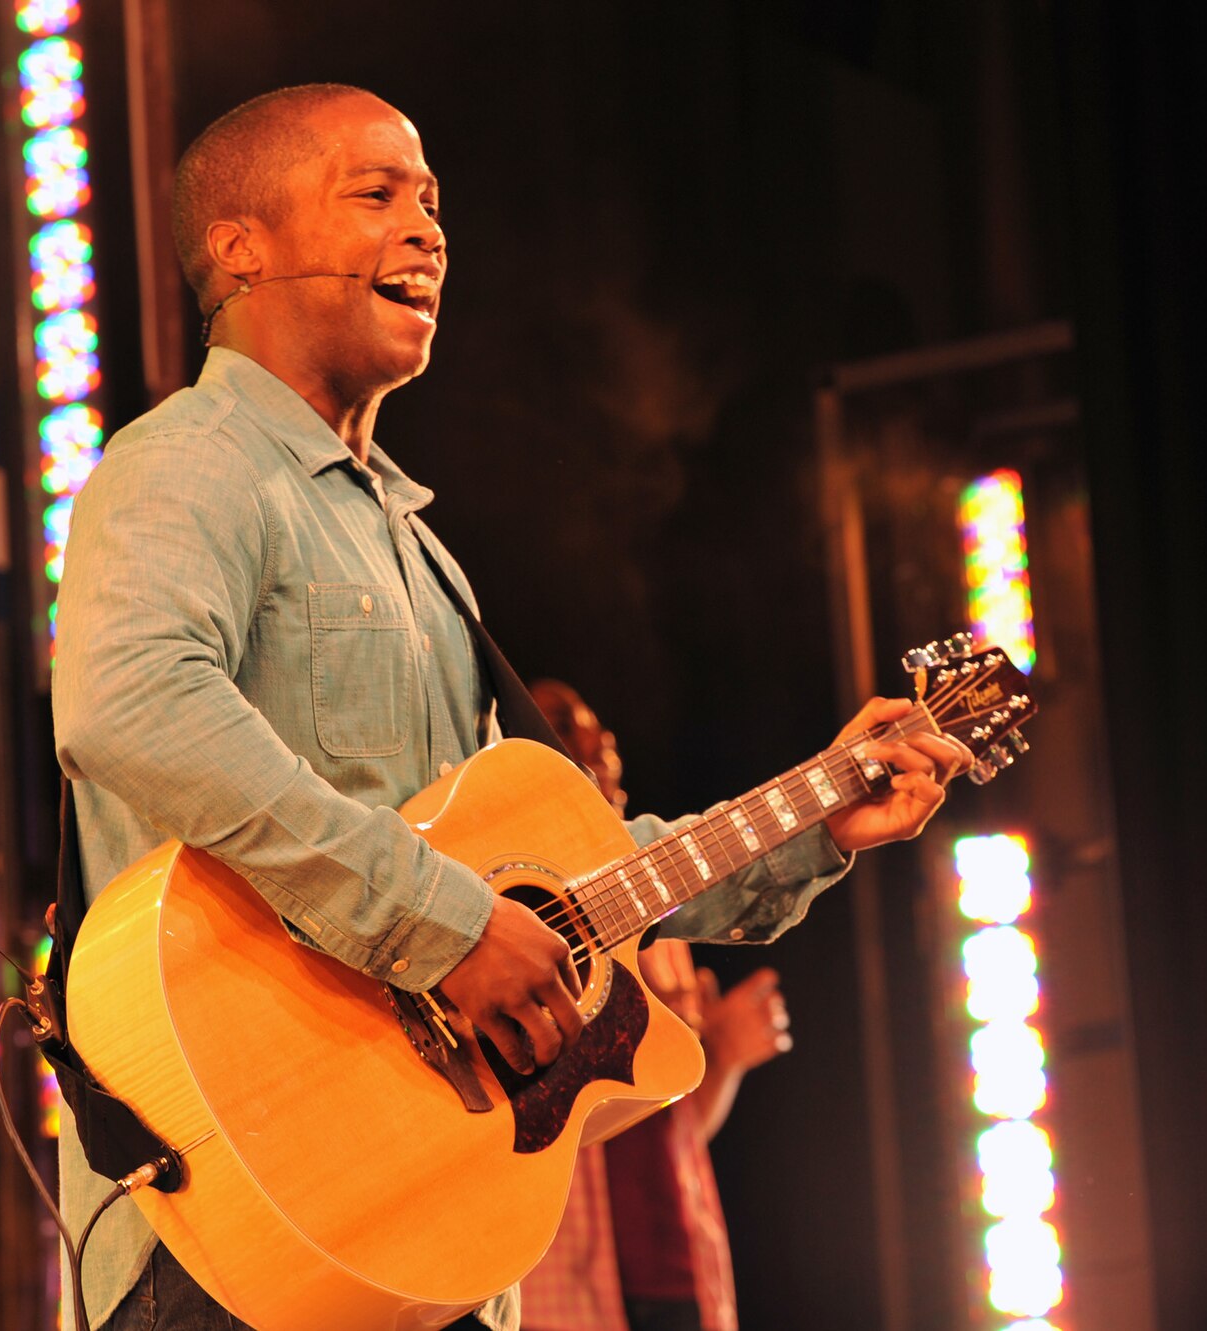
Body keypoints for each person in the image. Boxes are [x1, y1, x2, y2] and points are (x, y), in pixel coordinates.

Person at [50, 84, 970, 1331]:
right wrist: (444, 924)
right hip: (239, 1231)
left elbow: (545, 879)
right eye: (376, 194)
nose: (427, 229)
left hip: (430, 1239)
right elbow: (131, 705)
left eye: (432, 202)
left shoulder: (421, 551)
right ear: (239, 248)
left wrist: (818, 815)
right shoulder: (185, 462)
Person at [520, 682, 791, 1331]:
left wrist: (724, 1057)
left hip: (676, 1268)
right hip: (566, 1284)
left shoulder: (660, 921)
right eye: (564, 724)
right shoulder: (517, 913)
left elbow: (676, 1122)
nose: (600, 740)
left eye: (597, 726)